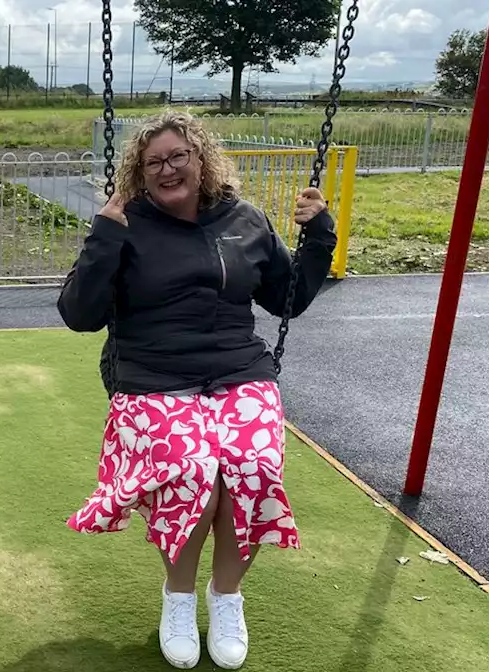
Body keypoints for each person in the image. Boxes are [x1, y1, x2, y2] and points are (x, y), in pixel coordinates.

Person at [57, 109, 336, 670]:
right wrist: (104, 237)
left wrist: (320, 234)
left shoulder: (244, 220)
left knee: (253, 469)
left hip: (237, 372)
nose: (167, 170)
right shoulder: (126, 223)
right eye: (153, 161)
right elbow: (80, 315)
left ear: (201, 159)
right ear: (139, 171)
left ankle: (226, 598)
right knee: (193, 472)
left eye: (177, 157)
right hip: (153, 379)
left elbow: (288, 301)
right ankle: (179, 598)